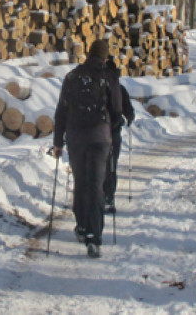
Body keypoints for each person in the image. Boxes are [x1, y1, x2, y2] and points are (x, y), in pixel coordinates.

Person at [53, 39, 122, 258]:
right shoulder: (108, 78)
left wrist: (57, 142)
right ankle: (94, 236)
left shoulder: (72, 77)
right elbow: (117, 110)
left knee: (80, 182)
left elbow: (61, 111)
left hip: (75, 138)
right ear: (104, 57)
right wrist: (114, 131)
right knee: (96, 185)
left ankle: (81, 226)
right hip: (100, 138)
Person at [103, 63, 135, 214]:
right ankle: (109, 198)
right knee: (111, 166)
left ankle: (98, 196)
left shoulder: (97, 86)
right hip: (114, 132)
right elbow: (129, 111)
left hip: (97, 132)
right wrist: (129, 118)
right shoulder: (119, 88)